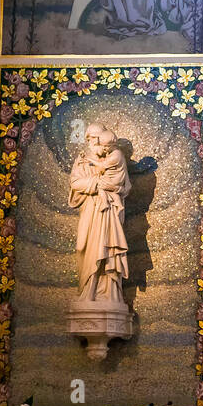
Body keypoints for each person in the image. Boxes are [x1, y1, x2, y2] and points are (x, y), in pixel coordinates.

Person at [71, 124, 131, 305]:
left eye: (95, 138)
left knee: (109, 250)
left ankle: (111, 295)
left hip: (110, 211)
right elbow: (75, 183)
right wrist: (98, 184)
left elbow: (125, 186)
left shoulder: (116, 157)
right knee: (85, 248)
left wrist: (113, 187)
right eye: (90, 138)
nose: (93, 142)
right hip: (90, 211)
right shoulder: (82, 160)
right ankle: (87, 292)